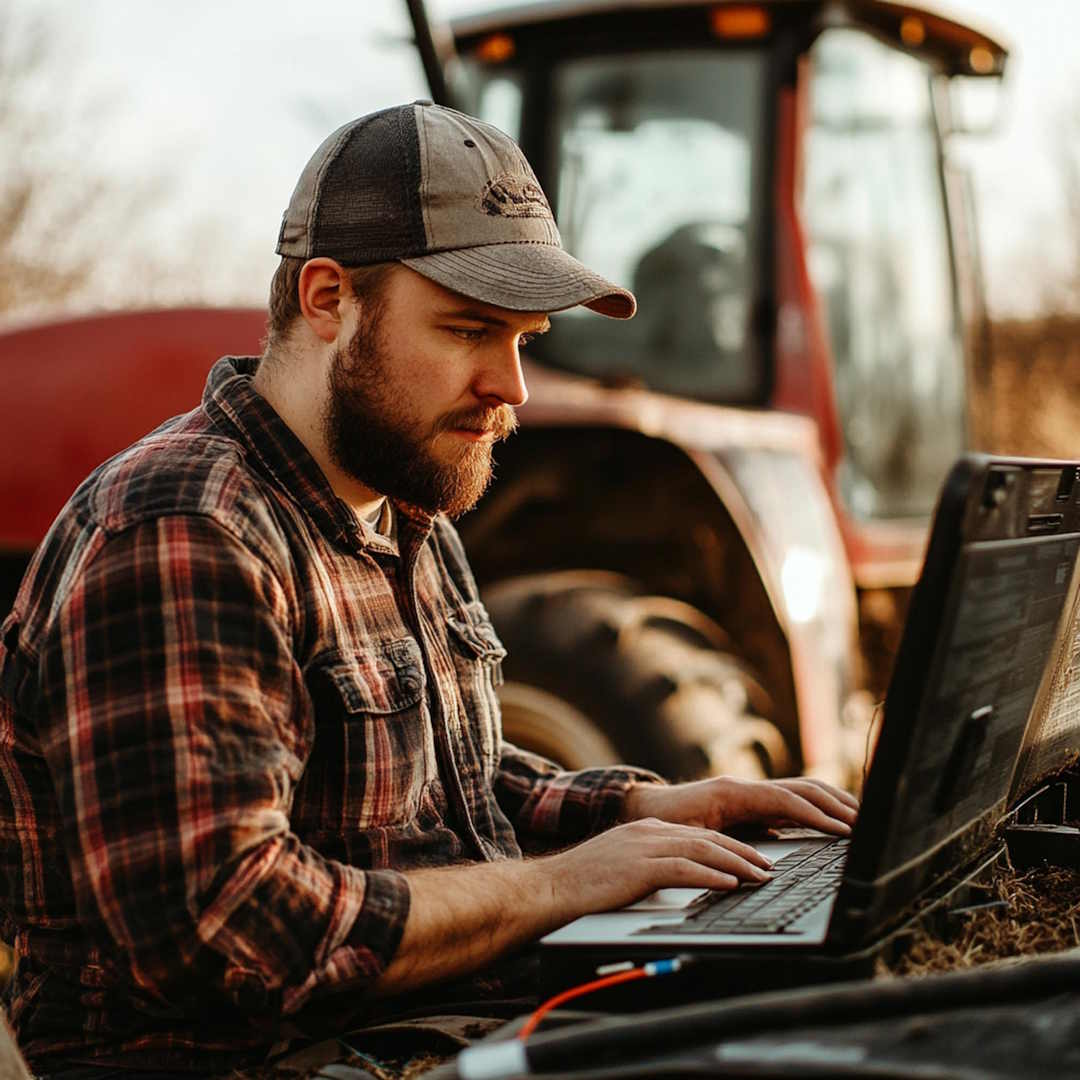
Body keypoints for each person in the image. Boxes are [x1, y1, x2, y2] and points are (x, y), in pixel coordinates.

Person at [0, 103, 857, 1076]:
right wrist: (564, 886)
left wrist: (650, 811)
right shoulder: (184, 530)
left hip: (423, 1022)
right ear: (328, 299)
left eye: (525, 340)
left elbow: (440, 790)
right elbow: (228, 935)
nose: (512, 386)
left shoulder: (407, 510)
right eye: (467, 330)